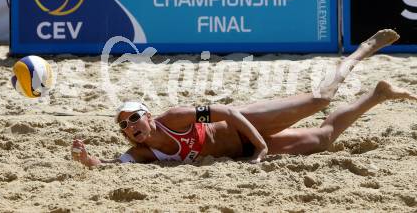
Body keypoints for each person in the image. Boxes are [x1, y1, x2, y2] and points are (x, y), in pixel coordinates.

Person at [72, 29, 417, 167]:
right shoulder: (144, 152)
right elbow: (112, 166)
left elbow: (228, 111)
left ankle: (360, 53)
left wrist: (261, 145)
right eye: (124, 126)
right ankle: (378, 94)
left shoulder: (175, 117)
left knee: (319, 100)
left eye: (133, 118)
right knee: (323, 138)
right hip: (241, 153)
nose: (130, 127)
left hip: (243, 124)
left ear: (148, 115)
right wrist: (92, 162)